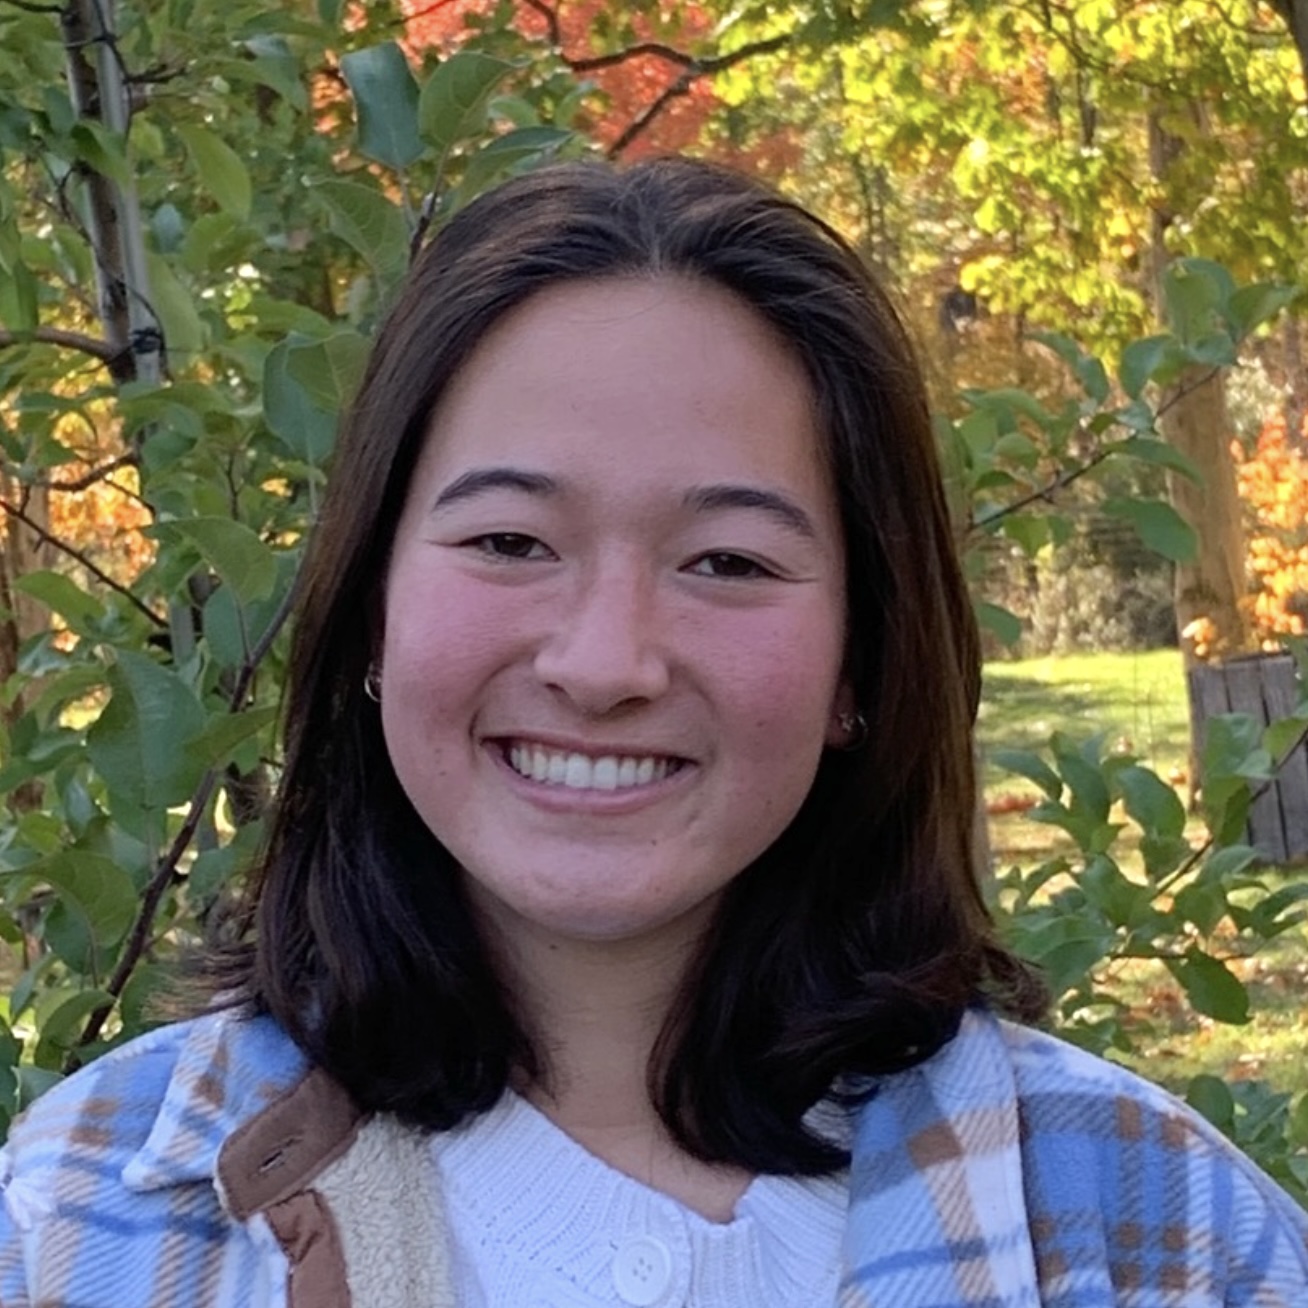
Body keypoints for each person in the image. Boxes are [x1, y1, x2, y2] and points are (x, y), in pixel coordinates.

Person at [0, 157, 1305, 1308]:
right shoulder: (79, 1214)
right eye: (510, 541)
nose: (605, 663)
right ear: (372, 613)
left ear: (863, 656)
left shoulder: (1160, 1235)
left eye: (728, 561)